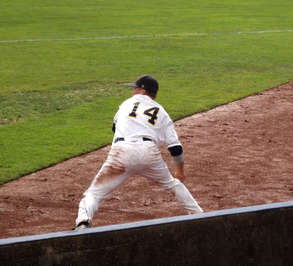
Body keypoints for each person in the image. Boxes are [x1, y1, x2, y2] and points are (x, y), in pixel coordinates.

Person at [75, 74, 203, 230]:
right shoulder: (161, 111)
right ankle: (199, 215)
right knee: (173, 184)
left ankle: (83, 222)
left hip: (121, 153)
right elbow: (175, 147)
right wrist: (180, 172)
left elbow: (114, 128)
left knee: (94, 194)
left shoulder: (126, 104)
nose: (132, 91)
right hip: (149, 153)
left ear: (143, 91)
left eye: (135, 88)